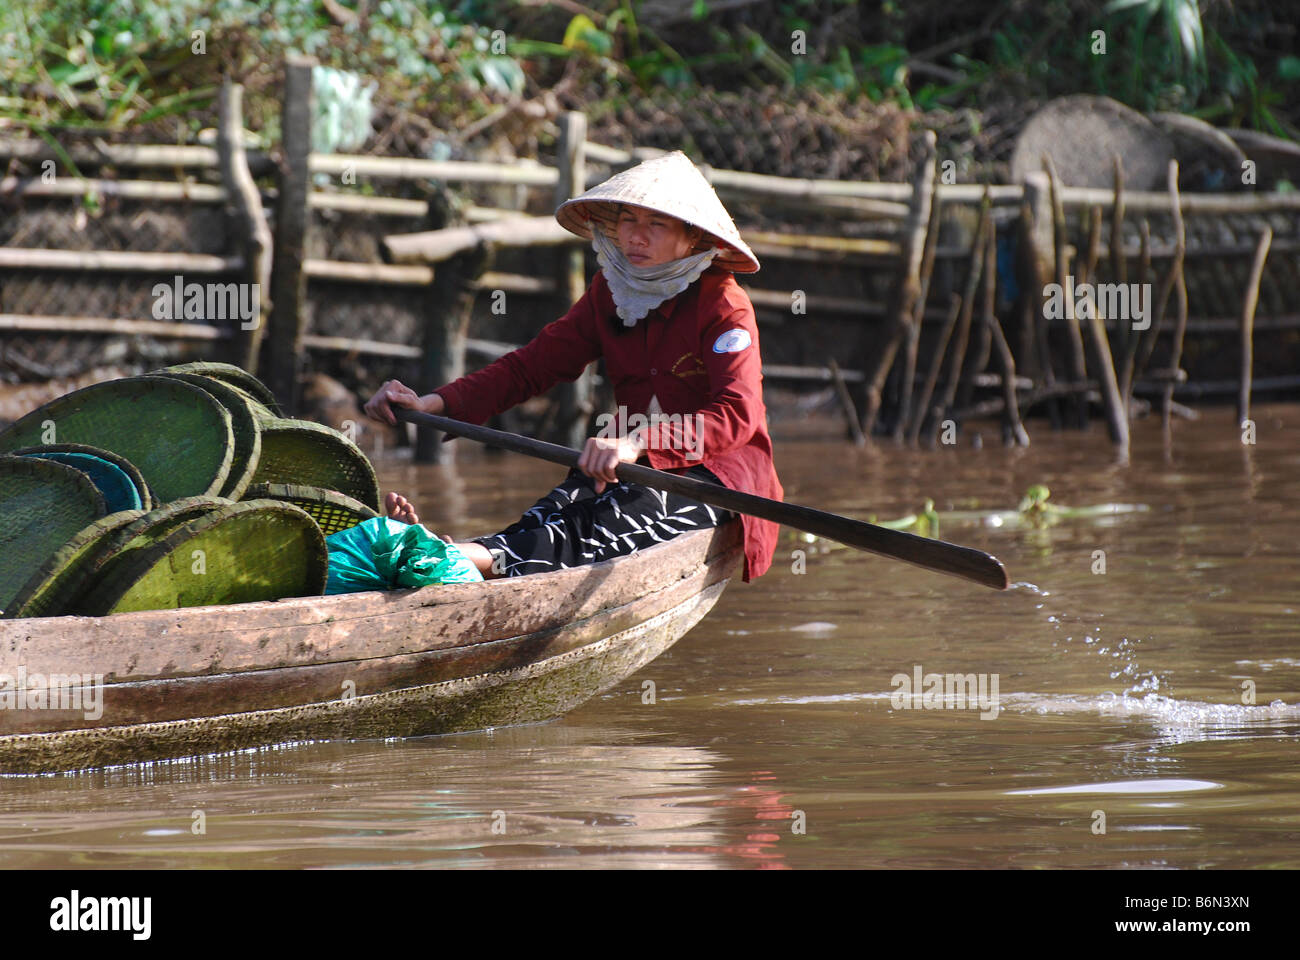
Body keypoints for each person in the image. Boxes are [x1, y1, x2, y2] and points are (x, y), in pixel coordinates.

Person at [363, 150, 783, 584]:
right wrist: (436, 402)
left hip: (716, 476)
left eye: (655, 224)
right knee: (553, 511)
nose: (636, 237)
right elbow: (533, 366)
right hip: (623, 463)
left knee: (603, 525)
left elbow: (738, 414)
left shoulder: (723, 305)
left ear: (692, 237)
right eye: (627, 221)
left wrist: (637, 442)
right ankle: (452, 556)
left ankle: (451, 560)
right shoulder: (612, 290)